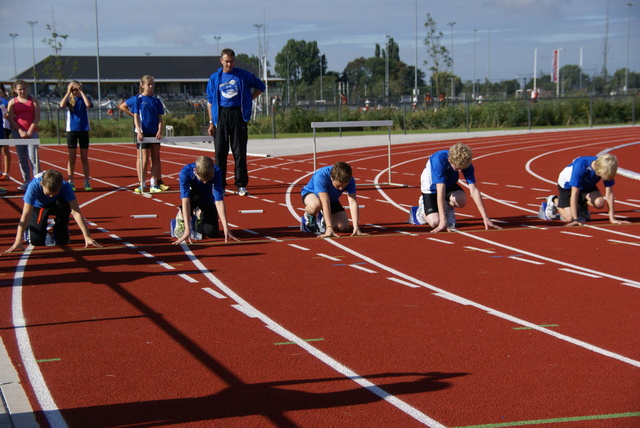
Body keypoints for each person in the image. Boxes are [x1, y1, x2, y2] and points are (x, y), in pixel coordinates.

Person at [206, 48, 265, 197]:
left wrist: (248, 99)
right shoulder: (215, 78)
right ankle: (220, 185)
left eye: (231, 61)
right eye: (226, 61)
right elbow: (210, 102)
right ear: (221, 61)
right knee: (220, 152)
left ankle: (241, 184)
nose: (229, 64)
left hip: (238, 115)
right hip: (221, 115)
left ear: (234, 60)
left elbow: (261, 86)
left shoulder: (243, 75)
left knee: (239, 152)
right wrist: (211, 122)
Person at [413, 142, 501, 233]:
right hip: (431, 188)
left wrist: (485, 218)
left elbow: (474, 190)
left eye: (462, 169)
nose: (460, 171)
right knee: (435, 222)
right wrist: (443, 221)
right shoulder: (438, 161)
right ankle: (421, 210)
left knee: (461, 200)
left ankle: (448, 208)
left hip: (449, 185)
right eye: (457, 168)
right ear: (450, 160)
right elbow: (440, 191)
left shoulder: (466, 163)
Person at [5, 169, 101, 251]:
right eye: (48, 194)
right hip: (39, 207)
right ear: (41, 184)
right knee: (37, 242)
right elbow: (26, 214)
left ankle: (61, 227)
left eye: (55, 193)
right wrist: (18, 240)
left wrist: (87, 236)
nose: (51, 196)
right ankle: (31, 228)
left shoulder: (65, 186)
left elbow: (76, 212)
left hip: (56, 205)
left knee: (63, 240)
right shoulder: (33, 186)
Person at [544, 153, 630, 227]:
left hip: (587, 185)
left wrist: (612, 218)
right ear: (598, 168)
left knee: (599, 202)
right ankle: (554, 200)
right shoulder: (580, 166)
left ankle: (581, 206)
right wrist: (575, 219)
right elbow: (574, 194)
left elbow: (609, 193)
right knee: (568, 218)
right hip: (568, 186)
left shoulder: (607, 166)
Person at [173, 155, 238, 245]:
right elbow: (186, 200)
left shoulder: (217, 171)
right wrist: (187, 230)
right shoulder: (185, 172)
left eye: (208, 179)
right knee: (195, 197)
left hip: (207, 199)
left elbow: (219, 200)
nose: (205, 182)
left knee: (211, 233)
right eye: (202, 179)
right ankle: (181, 216)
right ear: (195, 171)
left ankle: (198, 216)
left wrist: (226, 227)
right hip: (193, 198)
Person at [300, 161, 367, 238]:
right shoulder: (321, 176)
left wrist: (356, 228)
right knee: (316, 205)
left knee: (344, 227)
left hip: (332, 199)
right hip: (312, 194)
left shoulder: (350, 180)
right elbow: (325, 201)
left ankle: (324, 218)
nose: (341, 188)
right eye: (338, 186)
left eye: (344, 186)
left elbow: (353, 202)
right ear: (331, 177)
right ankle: (309, 215)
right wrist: (329, 228)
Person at [130, 75, 167, 193]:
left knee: (155, 158)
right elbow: (135, 116)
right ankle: (142, 183)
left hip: (154, 132)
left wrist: (159, 130)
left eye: (152, 84)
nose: (151, 87)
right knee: (144, 159)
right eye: (148, 84)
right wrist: (139, 131)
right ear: (142, 85)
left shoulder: (156, 101)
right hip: (143, 132)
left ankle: (153, 183)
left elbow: (160, 118)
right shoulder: (138, 99)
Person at [60, 81, 93, 191]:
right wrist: (68, 92)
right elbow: (61, 105)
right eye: (73, 90)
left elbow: (89, 105)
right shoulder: (70, 100)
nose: (74, 92)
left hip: (83, 130)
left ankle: (87, 181)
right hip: (72, 131)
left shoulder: (84, 99)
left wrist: (81, 91)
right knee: (72, 158)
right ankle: (71, 181)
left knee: (84, 158)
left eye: (76, 89)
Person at [7, 80, 40, 192]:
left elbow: (37, 117)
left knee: (33, 157)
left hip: (32, 131)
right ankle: (27, 181)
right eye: (20, 89)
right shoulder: (12, 102)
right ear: (15, 90)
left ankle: (37, 181)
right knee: (22, 158)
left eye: (24, 88)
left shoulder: (33, 100)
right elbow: (10, 118)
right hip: (18, 132)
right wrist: (20, 130)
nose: (22, 91)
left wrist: (30, 130)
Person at [1, 83, 12, 181]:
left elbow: (10, 110)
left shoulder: (5, 100)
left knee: (5, 150)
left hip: (5, 127)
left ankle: (6, 173)